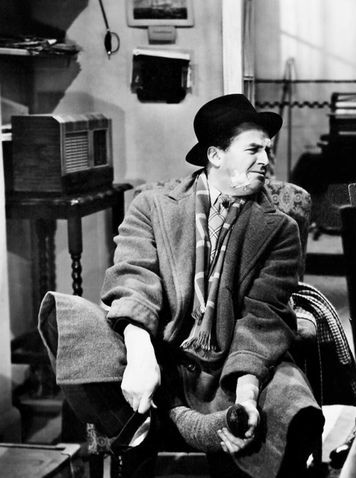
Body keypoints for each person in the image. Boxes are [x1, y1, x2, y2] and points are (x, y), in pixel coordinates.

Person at [38, 94, 323, 478]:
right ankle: (146, 421)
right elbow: (133, 278)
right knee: (69, 317)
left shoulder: (279, 228)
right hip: (159, 354)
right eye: (253, 149)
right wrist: (140, 354)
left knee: (296, 406)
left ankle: (197, 424)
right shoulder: (152, 205)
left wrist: (247, 395)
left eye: (267, 150)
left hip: (230, 365)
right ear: (216, 155)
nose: (265, 160)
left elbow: (263, 317)